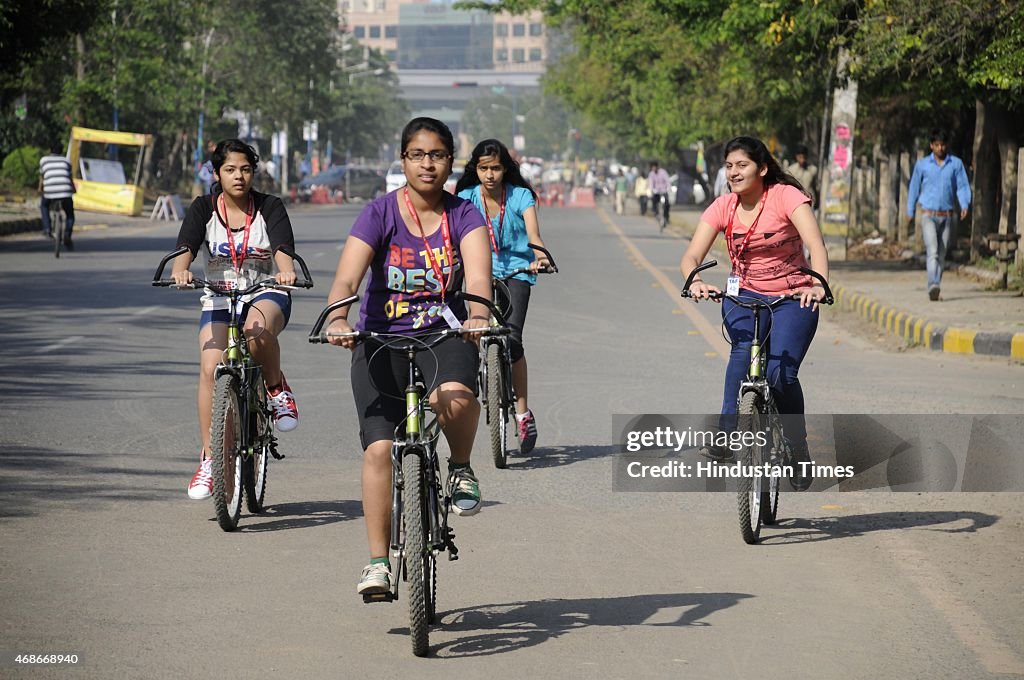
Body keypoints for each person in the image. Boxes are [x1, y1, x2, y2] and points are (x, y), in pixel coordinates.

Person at [324, 118, 492, 596]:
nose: (427, 164)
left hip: (444, 334)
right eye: (417, 155)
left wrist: (478, 314)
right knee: (379, 449)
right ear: (402, 160)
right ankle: (377, 563)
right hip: (379, 338)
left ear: (450, 162)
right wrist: (338, 320)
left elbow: (478, 278)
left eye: (437, 155)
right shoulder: (378, 214)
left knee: (456, 399)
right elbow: (346, 281)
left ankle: (459, 466)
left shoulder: (465, 215)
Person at [679, 136, 829, 491]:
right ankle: (727, 434)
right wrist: (695, 280)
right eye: (729, 166)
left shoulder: (786, 197)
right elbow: (690, 257)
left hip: (795, 296)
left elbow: (816, 244)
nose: (734, 172)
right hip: (743, 295)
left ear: (762, 168)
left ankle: (797, 445)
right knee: (742, 352)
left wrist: (818, 284)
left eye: (742, 165)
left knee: (780, 374)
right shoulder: (722, 207)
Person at [171, 139, 301, 501]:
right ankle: (211, 459)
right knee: (211, 365)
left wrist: (286, 272)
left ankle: (276, 390)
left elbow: (282, 249)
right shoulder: (203, 208)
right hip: (219, 296)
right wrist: (181, 271)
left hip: (265, 292)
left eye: (245, 169)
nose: (238, 176)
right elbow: (186, 249)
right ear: (217, 174)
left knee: (256, 333)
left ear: (253, 173)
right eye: (230, 169)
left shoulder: (269, 207)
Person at [455, 138, 551, 455]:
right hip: (479, 273)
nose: (490, 175)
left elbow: (534, 236)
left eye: (496, 168)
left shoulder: (522, 196)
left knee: (513, 340)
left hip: (518, 273)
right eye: (484, 168)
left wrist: (541, 257)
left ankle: (522, 412)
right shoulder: (466, 197)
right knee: (473, 332)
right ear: (476, 170)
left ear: (505, 168)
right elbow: (454, 235)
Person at [906, 129, 971, 301]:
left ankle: (936, 285)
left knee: (942, 253)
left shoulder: (956, 164)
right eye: (937, 145)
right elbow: (914, 187)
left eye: (943, 145)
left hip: (947, 215)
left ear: (946, 145)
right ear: (931, 146)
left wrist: (964, 203)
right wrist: (910, 210)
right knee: (932, 250)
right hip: (928, 214)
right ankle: (932, 284)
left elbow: (963, 185)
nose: (940, 148)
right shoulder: (923, 165)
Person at [38, 143, 76, 249]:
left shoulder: (44, 160)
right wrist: (73, 189)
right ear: (61, 151)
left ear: (50, 150)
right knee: (70, 214)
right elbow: (69, 178)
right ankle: (67, 235)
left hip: (50, 191)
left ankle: (47, 228)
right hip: (65, 191)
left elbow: (42, 177)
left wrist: (40, 189)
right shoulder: (66, 161)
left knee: (44, 206)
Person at [648, 161, 671, 228]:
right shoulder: (651, 174)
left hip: (664, 191)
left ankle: (666, 217)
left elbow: (667, 180)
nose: (653, 169)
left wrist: (668, 188)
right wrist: (652, 189)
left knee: (667, 203)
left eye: (654, 167)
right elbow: (651, 183)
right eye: (652, 167)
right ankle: (655, 213)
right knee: (654, 200)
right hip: (656, 192)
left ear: (657, 167)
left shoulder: (663, 172)